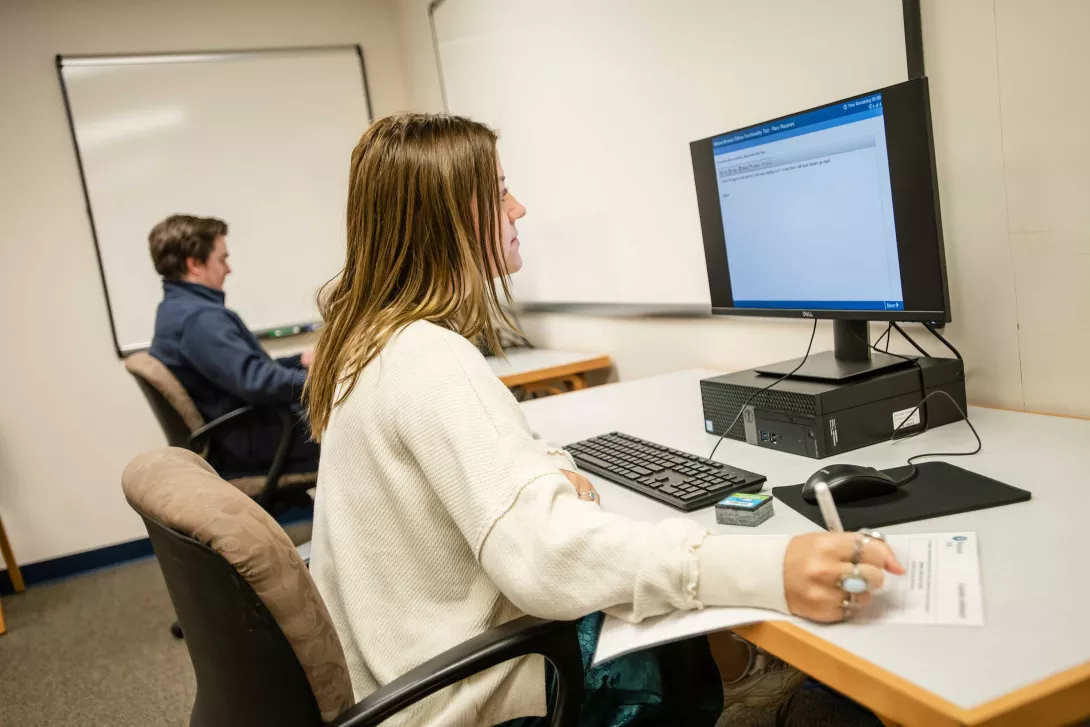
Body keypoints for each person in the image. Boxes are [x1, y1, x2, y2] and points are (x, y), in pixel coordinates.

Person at [305, 114, 904, 727]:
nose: (520, 209)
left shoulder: (370, 344)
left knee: (635, 564)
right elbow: (547, 562)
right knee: (644, 587)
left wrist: (551, 467)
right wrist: (769, 566)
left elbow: (502, 456)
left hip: (400, 668)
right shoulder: (432, 361)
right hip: (466, 699)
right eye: (500, 191)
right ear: (449, 215)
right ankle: (744, 687)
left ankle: (740, 676)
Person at [147, 214, 319, 478]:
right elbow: (256, 382)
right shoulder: (199, 320)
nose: (229, 269)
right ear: (194, 263)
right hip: (257, 443)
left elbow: (246, 371)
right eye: (222, 259)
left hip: (243, 435)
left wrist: (302, 360)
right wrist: (323, 383)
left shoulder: (177, 310)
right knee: (354, 429)